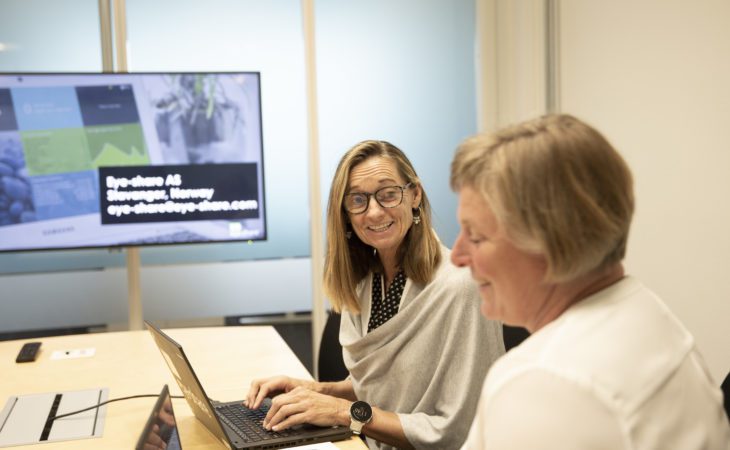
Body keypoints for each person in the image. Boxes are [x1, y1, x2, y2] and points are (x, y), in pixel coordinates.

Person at [449, 114, 730, 449]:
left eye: (477, 236)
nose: (458, 255)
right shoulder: (644, 310)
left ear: (550, 241)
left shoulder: (546, 380)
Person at [245, 140, 504, 449]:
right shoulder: (366, 282)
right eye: (358, 200)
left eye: (388, 194)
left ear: (415, 195)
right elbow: (385, 391)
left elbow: (457, 430)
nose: (374, 212)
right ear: (346, 214)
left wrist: (344, 413)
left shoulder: (459, 287)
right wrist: (314, 391)